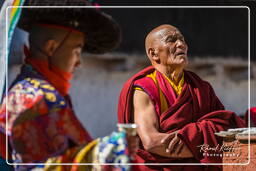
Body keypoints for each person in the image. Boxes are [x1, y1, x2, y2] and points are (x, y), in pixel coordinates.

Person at [0, 0, 121, 167]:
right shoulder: (35, 98)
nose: (79, 62)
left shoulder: (30, 89)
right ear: (51, 48)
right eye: (77, 51)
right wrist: (118, 149)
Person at [117, 24, 245, 171]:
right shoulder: (144, 88)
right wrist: (201, 145)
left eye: (182, 40)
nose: (181, 44)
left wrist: (189, 137)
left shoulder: (200, 87)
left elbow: (226, 129)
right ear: (153, 54)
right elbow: (152, 142)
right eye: (171, 40)